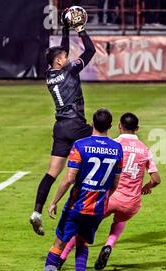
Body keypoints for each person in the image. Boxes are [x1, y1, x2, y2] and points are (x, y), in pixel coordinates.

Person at [37, 108, 123, 271]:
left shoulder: (80, 145)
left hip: (76, 206)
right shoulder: (117, 149)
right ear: (110, 126)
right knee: (82, 244)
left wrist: (53, 202)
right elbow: (115, 184)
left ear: (92, 124)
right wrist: (101, 196)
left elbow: (68, 179)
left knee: (58, 245)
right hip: (97, 209)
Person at [57, 112, 161, 271]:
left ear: (119, 126)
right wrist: (147, 187)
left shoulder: (114, 145)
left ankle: (62, 257)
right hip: (131, 203)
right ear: (137, 128)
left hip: (108, 198)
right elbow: (156, 179)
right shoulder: (145, 150)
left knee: (82, 227)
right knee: (120, 220)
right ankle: (108, 245)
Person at [30, 10, 96, 236]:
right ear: (59, 61)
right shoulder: (70, 69)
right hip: (77, 125)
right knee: (101, 143)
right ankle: (85, 211)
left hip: (60, 128)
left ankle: (36, 212)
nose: (67, 58)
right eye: (64, 56)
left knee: (51, 174)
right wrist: (80, 29)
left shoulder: (50, 74)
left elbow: (61, 51)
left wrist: (65, 28)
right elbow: (91, 51)